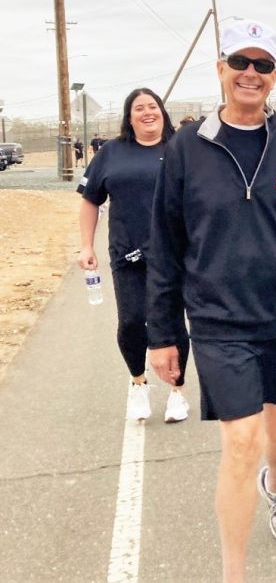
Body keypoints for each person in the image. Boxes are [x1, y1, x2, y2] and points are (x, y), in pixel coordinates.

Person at [146, 19, 276, 583]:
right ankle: (233, 572)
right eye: (240, 61)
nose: (250, 73)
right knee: (241, 442)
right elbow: (165, 244)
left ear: (274, 78)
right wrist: (163, 334)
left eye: (262, 65)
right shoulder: (186, 149)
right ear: (220, 69)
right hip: (218, 323)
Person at [77, 88, 189, 423]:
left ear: (163, 112)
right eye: (139, 108)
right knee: (131, 321)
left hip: (173, 254)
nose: (147, 112)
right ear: (129, 116)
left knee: (172, 323)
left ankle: (176, 391)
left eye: (153, 106)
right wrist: (86, 245)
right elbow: (89, 200)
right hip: (128, 253)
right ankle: (138, 383)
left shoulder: (180, 148)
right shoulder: (112, 152)